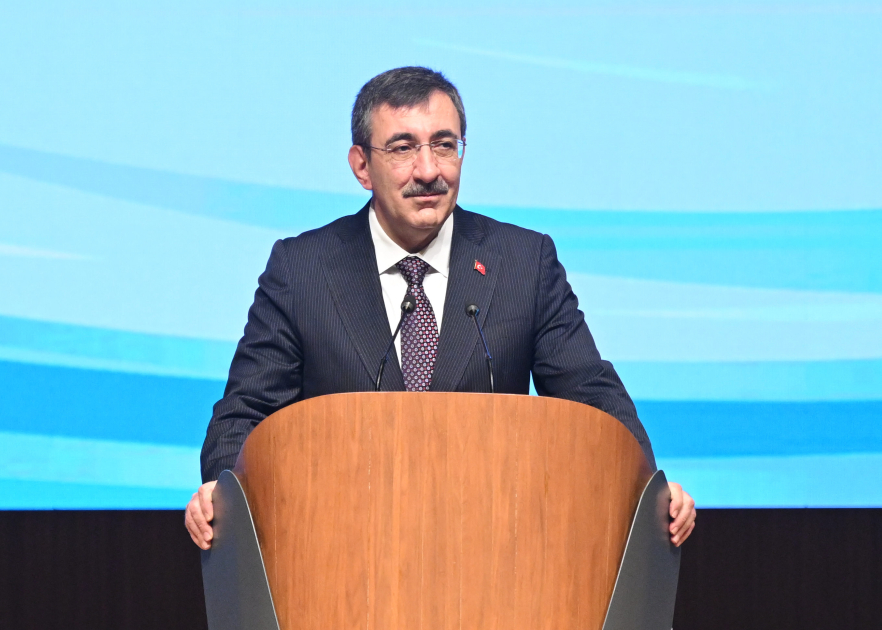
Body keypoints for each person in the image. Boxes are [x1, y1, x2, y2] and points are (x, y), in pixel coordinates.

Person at [185, 66, 696, 550]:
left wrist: (649, 489)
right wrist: (221, 493)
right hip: (343, 550)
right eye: (403, 148)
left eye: (444, 146)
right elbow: (244, 415)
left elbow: (592, 396)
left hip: (492, 549)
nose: (428, 171)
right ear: (361, 166)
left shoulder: (524, 262)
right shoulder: (303, 269)